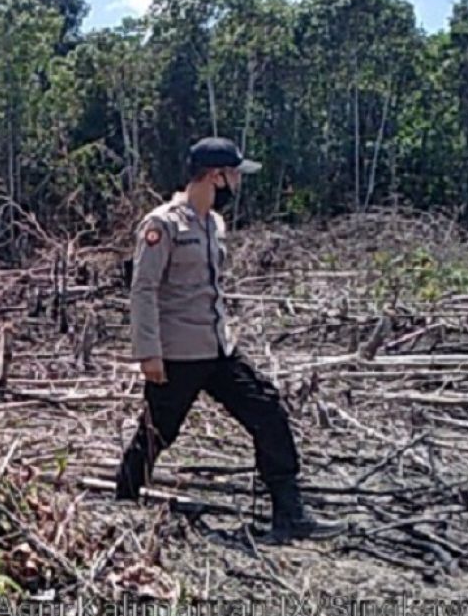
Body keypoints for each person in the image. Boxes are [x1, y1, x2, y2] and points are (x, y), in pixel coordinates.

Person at [116, 137, 345, 543]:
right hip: (178, 354)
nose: (238, 183)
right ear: (214, 176)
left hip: (218, 349)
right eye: (234, 174)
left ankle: (289, 514)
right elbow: (143, 289)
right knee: (157, 433)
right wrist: (148, 353)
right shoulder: (163, 225)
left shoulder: (213, 225)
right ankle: (123, 502)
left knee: (268, 411)